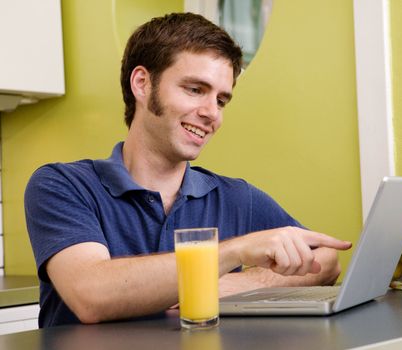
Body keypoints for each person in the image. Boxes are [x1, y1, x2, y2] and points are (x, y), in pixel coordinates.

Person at [24, 12, 352, 328]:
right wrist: (234, 251)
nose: (212, 114)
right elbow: (91, 294)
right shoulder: (63, 185)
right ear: (141, 83)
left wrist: (235, 285)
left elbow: (326, 260)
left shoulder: (235, 197)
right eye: (195, 90)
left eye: (221, 101)